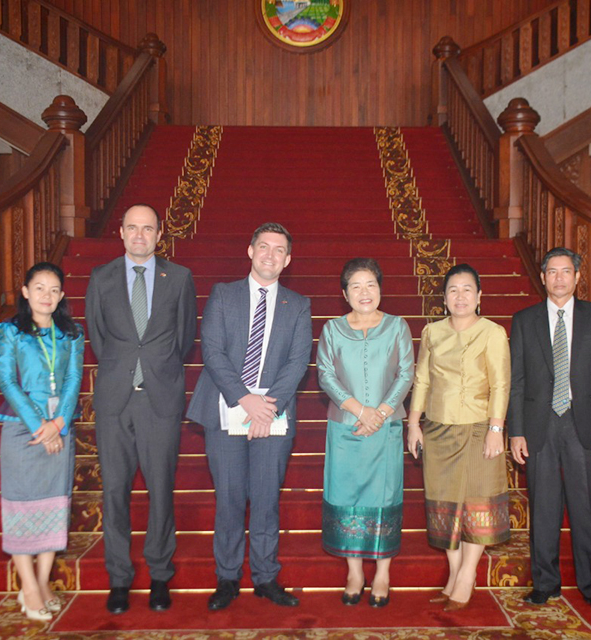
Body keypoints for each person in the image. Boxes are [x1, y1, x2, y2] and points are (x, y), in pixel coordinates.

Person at [187, 222, 313, 611]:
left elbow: (298, 360)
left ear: (287, 260)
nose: (270, 255)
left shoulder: (298, 304)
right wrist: (246, 400)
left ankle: (265, 576)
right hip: (227, 406)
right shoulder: (224, 295)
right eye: (264, 246)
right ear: (250, 250)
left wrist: (267, 405)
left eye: (279, 250)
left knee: (265, 499)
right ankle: (227, 577)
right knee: (228, 498)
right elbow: (212, 351)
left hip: (274, 412)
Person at [84, 203, 197, 615]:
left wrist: (154, 370)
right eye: (132, 227)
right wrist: (123, 369)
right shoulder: (101, 277)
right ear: (120, 232)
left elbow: (184, 338)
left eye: (147, 228)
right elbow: (98, 336)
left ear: (159, 234)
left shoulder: (179, 277)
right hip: (115, 399)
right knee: (114, 491)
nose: (139, 235)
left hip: (159, 398)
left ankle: (160, 574)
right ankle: (119, 577)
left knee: (161, 489)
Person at [508, 246, 591, 615]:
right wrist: (516, 431)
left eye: (566, 271)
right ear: (542, 277)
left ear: (577, 276)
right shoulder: (524, 320)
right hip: (539, 424)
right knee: (543, 507)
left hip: (582, 422)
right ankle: (545, 583)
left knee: (587, 508)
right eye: (552, 271)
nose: (559, 278)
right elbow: (517, 380)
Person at [406, 263, 511, 612]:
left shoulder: (492, 333)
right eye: (453, 290)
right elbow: (422, 380)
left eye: (467, 289)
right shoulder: (432, 332)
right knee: (445, 505)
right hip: (438, 430)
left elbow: (501, 385)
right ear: (444, 297)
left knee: (477, 503)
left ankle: (467, 575)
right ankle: (453, 574)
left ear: (479, 296)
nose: (460, 296)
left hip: (479, 428)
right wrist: (414, 423)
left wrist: (496, 429)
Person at [317, 258, 414, 608]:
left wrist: (381, 413)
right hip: (346, 428)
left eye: (371, 284)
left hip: (386, 429)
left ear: (380, 288)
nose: (364, 292)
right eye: (355, 286)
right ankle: (355, 572)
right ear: (345, 294)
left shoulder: (397, 326)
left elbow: (406, 373)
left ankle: (383, 572)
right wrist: (361, 411)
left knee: (385, 497)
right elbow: (325, 375)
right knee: (347, 495)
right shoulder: (332, 330)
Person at [0, 262, 84, 622]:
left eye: (54, 289)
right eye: (40, 288)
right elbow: (7, 381)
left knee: (53, 504)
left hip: (61, 427)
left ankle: (43, 582)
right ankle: (28, 586)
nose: (47, 295)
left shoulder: (71, 333)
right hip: (22, 428)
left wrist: (59, 422)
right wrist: (40, 425)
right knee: (22, 506)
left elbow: (74, 379)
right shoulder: (10, 331)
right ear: (26, 292)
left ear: (61, 296)